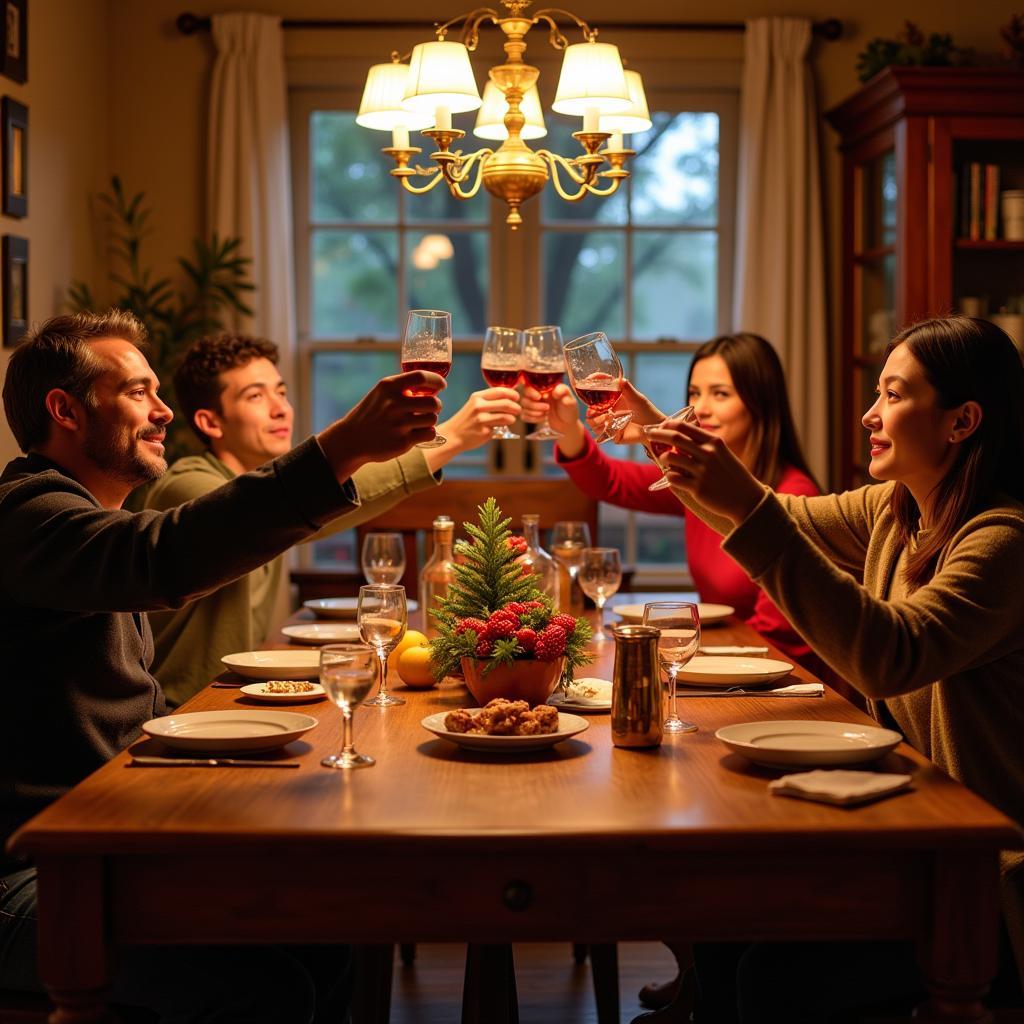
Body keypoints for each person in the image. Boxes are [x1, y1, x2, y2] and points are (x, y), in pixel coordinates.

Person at [0, 309, 444, 1022]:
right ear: (65, 410)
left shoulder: (86, 519)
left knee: (334, 936)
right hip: (30, 872)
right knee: (264, 987)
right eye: (137, 392)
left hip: (105, 839)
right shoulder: (28, 518)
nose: (163, 410)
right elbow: (166, 556)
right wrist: (340, 448)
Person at [645, 315, 1024, 1021]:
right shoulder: (897, 510)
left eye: (893, 395)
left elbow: (891, 654)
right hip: (917, 832)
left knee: (775, 978)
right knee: (729, 931)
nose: (868, 414)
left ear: (961, 421)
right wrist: (678, 453)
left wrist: (737, 499)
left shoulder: (1003, 542)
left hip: (990, 878)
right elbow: (779, 516)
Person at [142, 332, 522, 704]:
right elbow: (273, 507)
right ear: (211, 422)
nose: (280, 409)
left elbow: (300, 500)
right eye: (255, 396)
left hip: (241, 695)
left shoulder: (273, 493)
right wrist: (451, 436)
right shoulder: (187, 486)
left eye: (281, 392)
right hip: (187, 707)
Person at [521, 333, 825, 676]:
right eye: (694, 393)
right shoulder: (702, 484)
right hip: (727, 664)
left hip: (781, 683)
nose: (701, 408)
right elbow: (609, 481)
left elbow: (779, 639)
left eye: (720, 393)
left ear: (761, 403)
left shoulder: (796, 495)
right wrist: (568, 428)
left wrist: (678, 660)